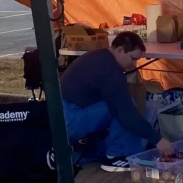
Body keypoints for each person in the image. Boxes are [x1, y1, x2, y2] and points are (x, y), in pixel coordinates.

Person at [61, 31, 172, 172]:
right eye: (133, 58)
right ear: (120, 50)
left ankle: (92, 150)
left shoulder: (100, 57)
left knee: (119, 106)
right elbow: (125, 112)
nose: (134, 64)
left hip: (62, 115)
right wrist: (157, 139)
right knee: (122, 107)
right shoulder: (110, 71)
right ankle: (116, 157)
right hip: (69, 119)